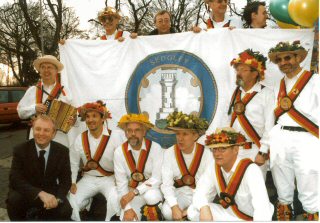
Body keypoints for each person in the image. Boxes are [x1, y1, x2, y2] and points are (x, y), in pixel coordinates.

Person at [268, 41, 320, 221]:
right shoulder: (277, 85)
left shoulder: (315, 80)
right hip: (280, 137)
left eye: (288, 57)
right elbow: (270, 116)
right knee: (282, 184)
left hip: (307, 138)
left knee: (309, 181)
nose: (283, 62)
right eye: (279, 59)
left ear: (298, 58)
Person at [191, 127, 274, 221]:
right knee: (193, 210)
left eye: (222, 149)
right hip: (228, 215)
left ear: (236, 149)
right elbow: (200, 191)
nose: (217, 154)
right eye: (214, 149)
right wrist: (204, 208)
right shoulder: (213, 166)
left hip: (249, 219)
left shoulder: (251, 170)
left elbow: (262, 208)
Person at [6, 115, 72, 220]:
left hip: (50, 192)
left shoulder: (62, 151)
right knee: (13, 201)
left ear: (53, 134)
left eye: (46, 130)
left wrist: (58, 199)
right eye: (38, 129)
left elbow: (66, 180)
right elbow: (15, 179)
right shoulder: (20, 149)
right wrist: (39, 193)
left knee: (66, 211)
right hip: (27, 191)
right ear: (32, 130)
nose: (41, 133)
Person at [68, 101, 125, 221]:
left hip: (110, 179)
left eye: (94, 116)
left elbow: (124, 162)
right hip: (88, 178)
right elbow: (73, 163)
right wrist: (73, 182)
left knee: (116, 200)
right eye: (88, 116)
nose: (90, 120)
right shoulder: (80, 138)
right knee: (72, 200)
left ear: (103, 118)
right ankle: (85, 204)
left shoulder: (116, 136)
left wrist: (120, 180)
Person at [228, 49, 274, 180]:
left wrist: (263, 152)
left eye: (243, 70)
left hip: (254, 150)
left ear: (255, 73)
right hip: (234, 151)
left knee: (256, 192)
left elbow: (269, 125)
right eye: (237, 70)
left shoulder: (267, 94)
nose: (238, 73)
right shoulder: (236, 93)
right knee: (234, 189)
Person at [160, 111, 213, 220]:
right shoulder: (169, 152)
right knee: (167, 212)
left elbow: (209, 186)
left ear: (195, 136)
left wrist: (191, 209)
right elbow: (167, 184)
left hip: (200, 194)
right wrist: (174, 206)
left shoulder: (207, 154)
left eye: (185, 134)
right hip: (179, 193)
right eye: (178, 134)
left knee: (193, 214)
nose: (180, 138)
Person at [114, 113, 164, 221]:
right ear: (125, 133)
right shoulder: (119, 152)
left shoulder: (155, 148)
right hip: (129, 192)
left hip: (151, 189)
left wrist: (136, 191)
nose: (133, 134)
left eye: (137, 130)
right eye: (129, 130)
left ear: (144, 132)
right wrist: (127, 208)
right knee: (129, 219)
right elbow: (121, 183)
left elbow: (157, 179)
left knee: (151, 197)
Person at [17, 55, 74, 147]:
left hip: (59, 137)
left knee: (59, 160)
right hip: (37, 136)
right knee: (35, 161)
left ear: (56, 71)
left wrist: (72, 120)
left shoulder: (66, 91)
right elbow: (20, 113)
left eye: (49, 67)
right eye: (43, 67)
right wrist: (34, 108)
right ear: (39, 71)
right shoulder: (32, 90)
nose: (46, 70)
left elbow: (73, 115)